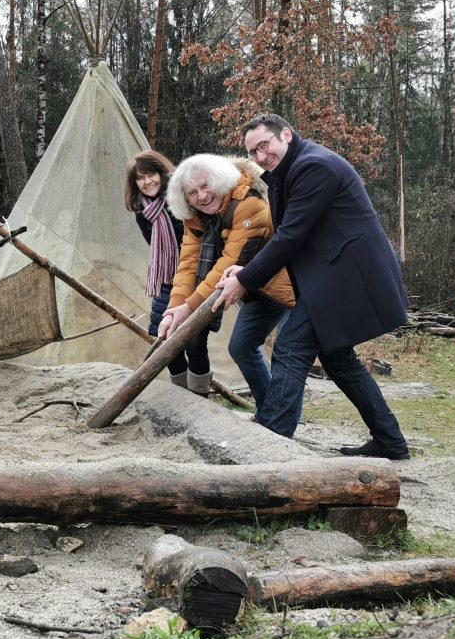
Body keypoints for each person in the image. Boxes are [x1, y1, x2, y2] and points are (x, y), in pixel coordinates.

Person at [215, 113, 411, 460]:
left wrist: (245, 279)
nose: (260, 156)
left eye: (265, 145)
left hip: (347, 276)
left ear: (286, 136)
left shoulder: (313, 166)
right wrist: (245, 269)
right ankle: (390, 440)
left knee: (290, 349)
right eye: (253, 152)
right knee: (338, 360)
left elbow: (291, 236)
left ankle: (271, 439)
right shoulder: (288, 171)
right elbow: (290, 234)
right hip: (331, 277)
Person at [157, 154, 294, 407]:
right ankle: (270, 412)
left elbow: (229, 262)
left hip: (283, 284)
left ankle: (277, 418)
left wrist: (189, 308)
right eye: (192, 192)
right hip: (251, 287)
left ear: (219, 180)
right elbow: (188, 263)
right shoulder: (195, 216)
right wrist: (174, 307)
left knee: (288, 353)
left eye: (205, 185)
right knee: (242, 347)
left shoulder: (249, 205)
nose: (201, 196)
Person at [124, 150, 207, 393]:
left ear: (162, 173)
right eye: (140, 178)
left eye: (151, 175)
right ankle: (182, 394)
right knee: (162, 340)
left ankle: (200, 396)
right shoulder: (143, 213)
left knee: (194, 341)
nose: (147, 182)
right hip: (166, 280)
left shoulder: (182, 199)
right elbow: (156, 248)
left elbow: (199, 239)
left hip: (197, 276)